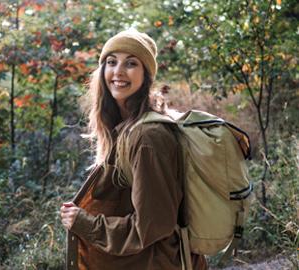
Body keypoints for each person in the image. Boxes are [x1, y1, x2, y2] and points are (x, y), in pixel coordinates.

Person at [60, 29, 207, 270]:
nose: (118, 71)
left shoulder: (147, 137)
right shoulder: (124, 128)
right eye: (111, 62)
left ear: (146, 75)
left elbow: (153, 226)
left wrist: (85, 223)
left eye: (131, 63)